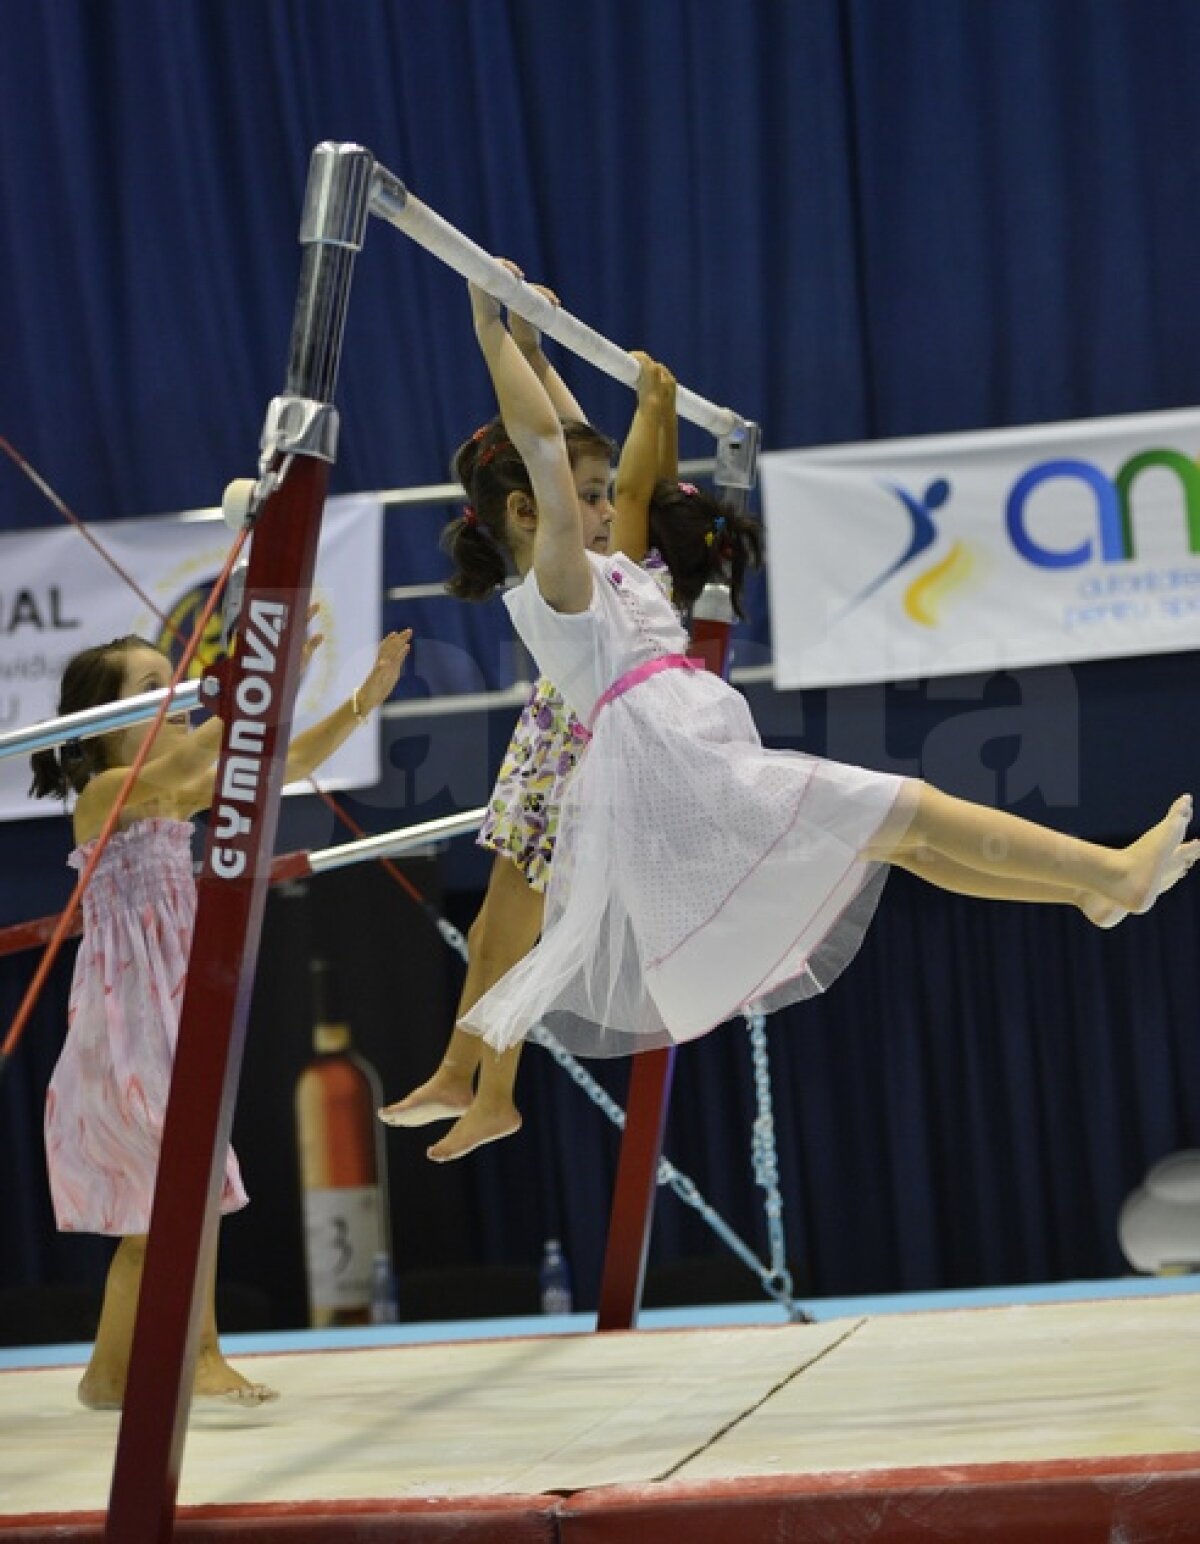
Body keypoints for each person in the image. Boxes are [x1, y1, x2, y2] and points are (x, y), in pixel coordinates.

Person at [444, 273, 1197, 1060]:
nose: (604, 510)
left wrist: (532, 339)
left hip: (695, 757)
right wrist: (486, 319)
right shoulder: (557, 586)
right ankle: (1111, 870)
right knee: (917, 807)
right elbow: (541, 448)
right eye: (587, 499)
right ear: (531, 514)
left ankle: (1088, 889)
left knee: (903, 838)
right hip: (680, 773)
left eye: (601, 496)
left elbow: (560, 439)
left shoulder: (601, 568)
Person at [379, 273, 761, 1159]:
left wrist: (499, 331)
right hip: (557, 741)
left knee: (519, 928)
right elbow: (583, 449)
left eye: (612, 491)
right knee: (495, 929)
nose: (604, 497)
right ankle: (460, 1069)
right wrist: (537, 343)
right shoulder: (629, 549)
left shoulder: (625, 547)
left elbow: (578, 454)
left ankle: (493, 1088)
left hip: (580, 753)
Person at [30, 622, 411, 1407]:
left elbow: (283, 765)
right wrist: (261, 686)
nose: (172, 699)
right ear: (97, 722)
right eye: (149, 689)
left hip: (170, 1006)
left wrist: (357, 701)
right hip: (129, 1016)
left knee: (154, 1214)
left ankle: (106, 1377)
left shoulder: (173, 788)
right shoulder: (107, 793)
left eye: (176, 682)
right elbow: (197, 752)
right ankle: (198, 1357)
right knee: (188, 1191)